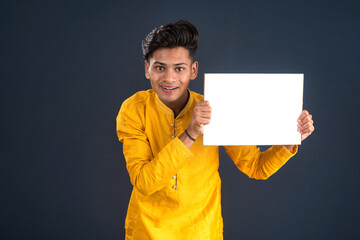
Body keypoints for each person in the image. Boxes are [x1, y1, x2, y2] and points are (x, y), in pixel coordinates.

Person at [116, 20, 314, 240]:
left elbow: (256, 167)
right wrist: (191, 133)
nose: (169, 78)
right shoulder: (134, 109)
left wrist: (289, 141)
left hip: (202, 232)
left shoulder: (214, 108)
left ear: (193, 70)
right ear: (147, 69)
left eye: (179, 68)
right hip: (146, 232)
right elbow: (144, 182)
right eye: (160, 67)